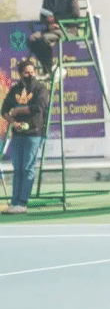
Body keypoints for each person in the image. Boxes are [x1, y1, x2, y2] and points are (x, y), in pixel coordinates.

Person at [1, 59, 50, 215]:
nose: (30, 74)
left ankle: (22, 203)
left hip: (34, 133)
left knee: (28, 168)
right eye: (26, 72)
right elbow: (4, 110)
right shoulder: (15, 89)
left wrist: (19, 111)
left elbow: (39, 107)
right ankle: (14, 202)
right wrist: (12, 121)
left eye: (32, 71)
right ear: (20, 73)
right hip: (17, 134)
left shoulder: (40, 88)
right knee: (18, 169)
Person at [27, 0, 80, 77]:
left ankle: (48, 71)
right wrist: (50, 24)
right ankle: (48, 68)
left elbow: (75, 15)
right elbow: (42, 16)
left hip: (67, 28)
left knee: (45, 39)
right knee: (31, 39)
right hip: (51, 29)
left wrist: (57, 20)